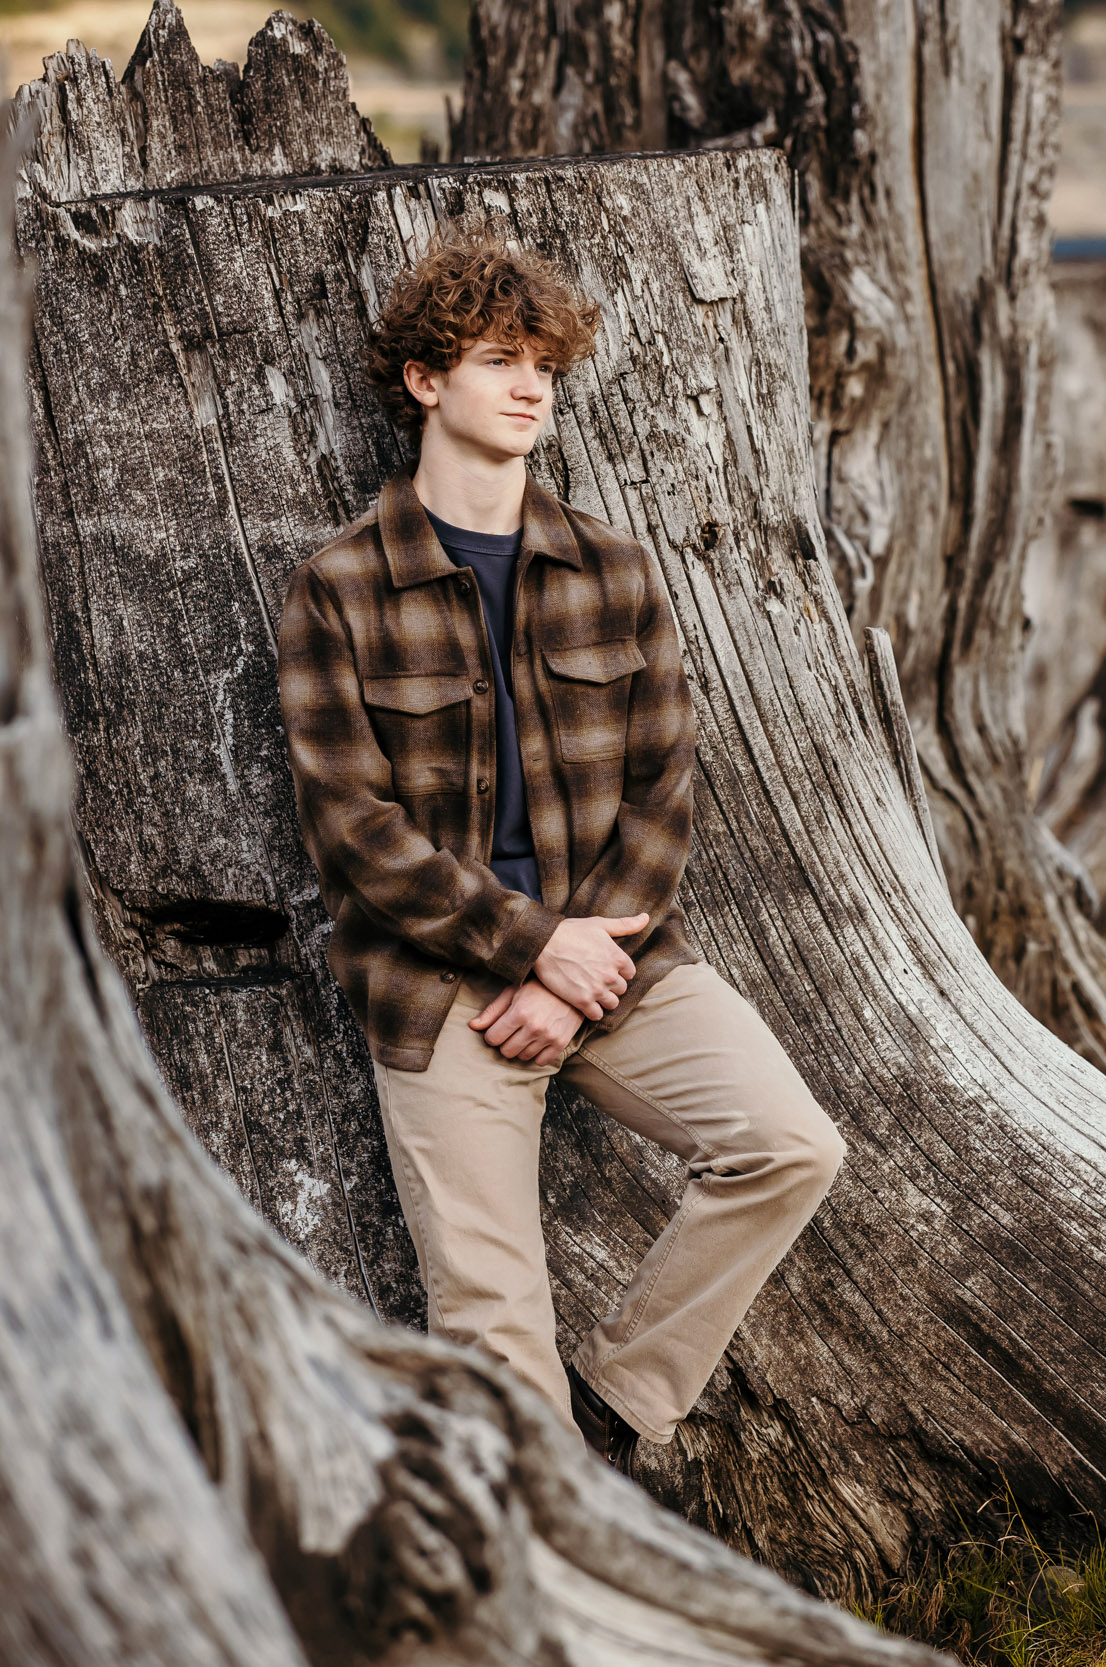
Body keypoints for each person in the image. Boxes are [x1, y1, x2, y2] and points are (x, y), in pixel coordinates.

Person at [274, 234, 844, 1469]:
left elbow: (665, 785)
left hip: (621, 962)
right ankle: (551, 1571)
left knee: (791, 1145)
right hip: (441, 988)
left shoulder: (613, 569)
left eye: (545, 365)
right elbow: (355, 831)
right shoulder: (339, 587)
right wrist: (530, 950)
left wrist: (581, 960)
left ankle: (614, 1410)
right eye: (498, 361)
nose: (531, 386)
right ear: (426, 381)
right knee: (491, 1328)